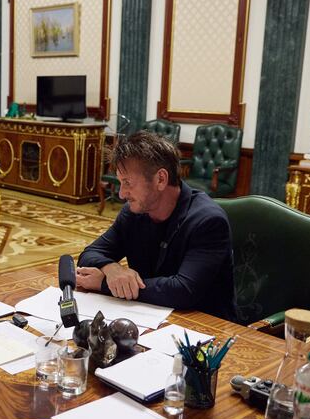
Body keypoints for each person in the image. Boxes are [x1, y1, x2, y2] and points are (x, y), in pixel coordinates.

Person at [76, 131, 237, 322]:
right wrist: (112, 269)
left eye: (127, 183)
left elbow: (184, 290)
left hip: (203, 329)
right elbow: (89, 255)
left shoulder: (208, 221)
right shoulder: (133, 213)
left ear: (160, 179)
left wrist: (105, 284)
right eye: (120, 183)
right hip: (148, 317)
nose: (121, 194)